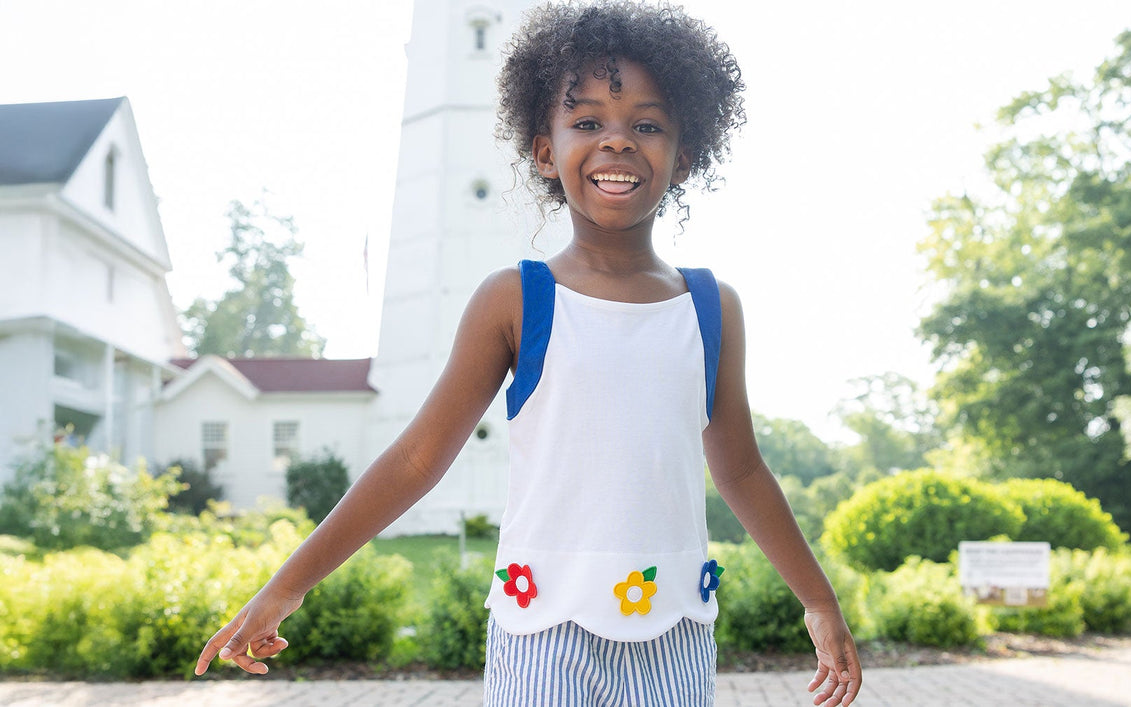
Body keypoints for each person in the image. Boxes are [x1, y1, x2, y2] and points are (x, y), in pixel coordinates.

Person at [194, 2, 862, 705]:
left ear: (683, 153)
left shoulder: (710, 305)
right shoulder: (516, 298)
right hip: (541, 632)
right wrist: (287, 585)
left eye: (646, 124)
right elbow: (417, 458)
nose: (618, 142)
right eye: (587, 122)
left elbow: (743, 468)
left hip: (675, 630)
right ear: (545, 149)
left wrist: (818, 600)